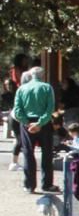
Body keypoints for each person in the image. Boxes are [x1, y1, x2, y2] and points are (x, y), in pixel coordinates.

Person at [11, 66, 60, 194]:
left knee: (28, 153)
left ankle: (29, 185)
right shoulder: (47, 87)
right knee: (47, 154)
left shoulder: (21, 89)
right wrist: (40, 123)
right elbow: (50, 109)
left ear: (30, 75)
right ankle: (47, 184)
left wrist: (27, 123)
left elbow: (17, 110)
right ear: (43, 76)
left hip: (26, 123)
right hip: (44, 123)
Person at [2, 77, 18, 171]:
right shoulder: (4, 95)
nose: (9, 86)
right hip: (7, 113)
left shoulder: (17, 93)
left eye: (10, 84)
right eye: (7, 85)